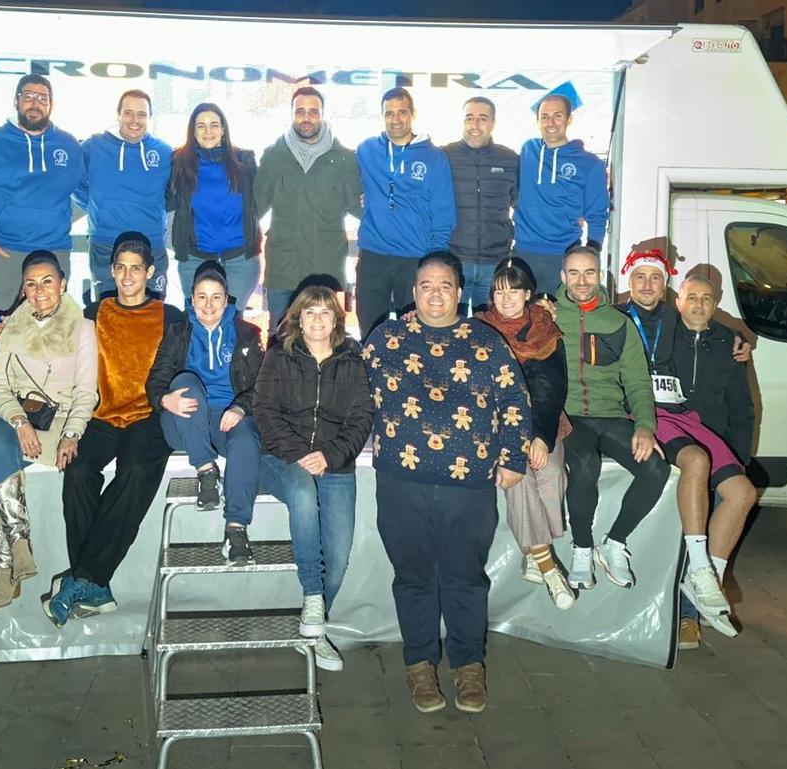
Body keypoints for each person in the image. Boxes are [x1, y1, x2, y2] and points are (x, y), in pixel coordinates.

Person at [363, 252, 530, 714]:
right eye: (426, 285)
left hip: (469, 484)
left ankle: (468, 666)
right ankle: (420, 665)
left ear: (459, 292)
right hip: (401, 480)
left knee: (464, 578)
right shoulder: (386, 338)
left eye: (445, 286)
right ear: (414, 291)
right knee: (413, 578)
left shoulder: (485, 340)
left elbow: (514, 399)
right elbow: (350, 390)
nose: (435, 294)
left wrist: (513, 456)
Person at [619, 254, 756, 643]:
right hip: (668, 426)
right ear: (677, 301)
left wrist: (741, 458)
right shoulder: (662, 328)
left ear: (717, 304)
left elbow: (743, 409)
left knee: (742, 493)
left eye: (707, 299)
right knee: (693, 475)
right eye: (691, 297)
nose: (698, 305)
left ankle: (702, 584)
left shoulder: (728, 343)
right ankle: (689, 613)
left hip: (713, 435)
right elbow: (621, 309)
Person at [48, 231, 183, 626]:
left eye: (136, 269)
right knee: (77, 470)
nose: (127, 276)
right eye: (121, 268)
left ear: (150, 273)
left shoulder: (170, 317)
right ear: (111, 270)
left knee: (138, 471)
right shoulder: (92, 313)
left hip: (149, 416)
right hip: (101, 415)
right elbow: (51, 338)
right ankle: (94, 582)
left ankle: (83, 577)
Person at [254, 283, 374, 671]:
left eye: (326, 312)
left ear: (337, 319)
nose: (318, 319)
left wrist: (331, 455)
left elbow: (362, 419)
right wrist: (301, 455)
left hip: (336, 466)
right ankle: (312, 597)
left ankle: (315, 629)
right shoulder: (278, 357)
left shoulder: (353, 362)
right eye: (310, 312)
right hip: (282, 459)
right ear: (297, 319)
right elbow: (265, 412)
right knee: (303, 492)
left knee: (337, 560)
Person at [0, 251, 97, 609]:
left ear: (62, 283)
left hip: (60, 419)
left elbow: (87, 391)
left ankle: (5, 568)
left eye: (47, 281)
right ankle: (19, 543)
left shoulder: (82, 327)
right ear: (23, 288)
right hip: (16, 414)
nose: (39, 290)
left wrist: (72, 434)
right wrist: (19, 421)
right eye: (31, 283)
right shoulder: (11, 325)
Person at [555, 245, 669, 591]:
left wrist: (645, 427)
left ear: (600, 277)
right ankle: (582, 547)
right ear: (563, 277)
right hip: (569, 417)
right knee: (585, 463)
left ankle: (615, 541)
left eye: (589, 273)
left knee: (656, 468)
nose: (581, 281)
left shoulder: (619, 323)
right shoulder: (548, 316)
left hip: (612, 416)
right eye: (573, 273)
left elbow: (637, 381)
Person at [147, 260, 264, 566]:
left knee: (247, 440)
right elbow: (155, 380)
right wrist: (164, 400)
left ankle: (236, 530)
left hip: (227, 419)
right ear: (191, 299)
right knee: (185, 382)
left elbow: (263, 386)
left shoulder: (247, 334)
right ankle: (205, 471)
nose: (209, 304)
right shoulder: (178, 332)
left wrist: (240, 406)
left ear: (227, 300)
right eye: (202, 296)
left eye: (216, 297)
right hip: (185, 422)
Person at [474, 257, 574, 610]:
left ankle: (533, 554)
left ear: (528, 293)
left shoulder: (545, 328)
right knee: (517, 477)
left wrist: (542, 436)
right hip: (498, 425)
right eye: (499, 291)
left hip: (544, 420)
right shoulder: (479, 328)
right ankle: (548, 567)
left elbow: (552, 386)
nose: (506, 298)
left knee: (550, 474)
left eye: (513, 290)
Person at [0, 74, 83, 310]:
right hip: (5, 253)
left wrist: (59, 218)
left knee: (53, 328)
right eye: (28, 96)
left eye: (43, 98)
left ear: (51, 105)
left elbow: (84, 193)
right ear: (16, 101)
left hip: (55, 252)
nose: (35, 103)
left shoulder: (69, 145)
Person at [254, 86, 362, 329]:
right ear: (291, 114)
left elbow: (359, 207)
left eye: (313, 111)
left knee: (326, 338)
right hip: (283, 267)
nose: (306, 117)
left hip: (325, 267)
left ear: (323, 115)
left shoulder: (344, 158)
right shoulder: (273, 156)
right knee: (279, 338)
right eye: (300, 111)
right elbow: (254, 208)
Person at [354, 87, 455, 336]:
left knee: (413, 333)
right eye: (389, 113)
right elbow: (346, 186)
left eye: (402, 112)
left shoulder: (434, 157)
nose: (395, 119)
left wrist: (433, 260)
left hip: (414, 258)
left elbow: (444, 213)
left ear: (413, 114)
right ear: (382, 116)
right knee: (370, 330)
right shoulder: (366, 150)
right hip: (373, 256)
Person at [75, 90, 172, 300]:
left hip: (152, 245)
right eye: (128, 113)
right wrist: (99, 208)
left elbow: (171, 194)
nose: (135, 120)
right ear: (118, 114)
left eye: (141, 114)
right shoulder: (93, 147)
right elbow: (76, 184)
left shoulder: (164, 152)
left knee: (153, 316)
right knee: (108, 315)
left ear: (149, 118)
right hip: (105, 245)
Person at [512, 91, 610, 296]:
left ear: (569, 118)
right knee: (521, 319)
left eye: (558, 115)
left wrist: (592, 250)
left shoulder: (590, 164)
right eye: (544, 117)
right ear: (537, 121)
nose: (551, 123)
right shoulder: (528, 149)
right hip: (523, 252)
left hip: (563, 254)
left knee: (558, 320)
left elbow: (598, 213)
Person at [167, 103, 261, 307]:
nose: (208, 131)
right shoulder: (178, 163)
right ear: (192, 132)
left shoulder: (245, 161)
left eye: (214, 125)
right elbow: (166, 201)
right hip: (195, 260)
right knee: (197, 322)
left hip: (240, 260)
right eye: (201, 126)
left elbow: (262, 201)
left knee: (233, 323)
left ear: (223, 129)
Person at [442, 97, 519, 314]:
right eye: (469, 118)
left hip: (495, 261)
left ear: (493, 122)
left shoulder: (509, 159)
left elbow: (526, 204)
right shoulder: (444, 156)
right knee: (452, 330)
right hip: (455, 261)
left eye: (482, 119)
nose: (475, 125)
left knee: (489, 330)